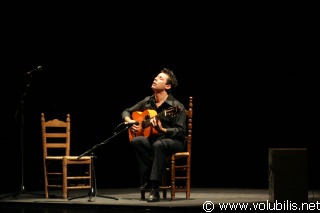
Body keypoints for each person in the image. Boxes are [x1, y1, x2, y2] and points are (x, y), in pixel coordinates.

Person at [121, 68, 186, 202]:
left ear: (167, 86)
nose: (156, 79)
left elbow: (180, 132)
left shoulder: (176, 106)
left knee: (159, 144)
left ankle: (154, 187)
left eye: (160, 78)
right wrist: (130, 121)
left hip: (173, 141)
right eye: (156, 77)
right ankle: (149, 180)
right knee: (137, 141)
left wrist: (163, 130)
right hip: (154, 141)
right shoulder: (147, 101)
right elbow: (126, 111)